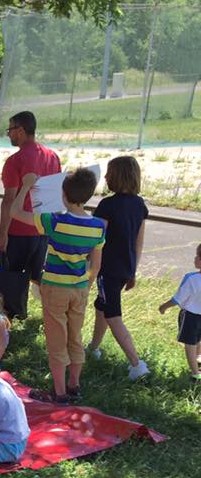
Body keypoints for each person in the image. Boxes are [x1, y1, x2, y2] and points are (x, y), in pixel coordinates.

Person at [10, 170, 104, 403]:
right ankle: (74, 385)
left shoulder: (54, 221)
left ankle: (59, 393)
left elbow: (15, 212)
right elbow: (96, 265)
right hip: (79, 288)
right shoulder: (98, 226)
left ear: (63, 194)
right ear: (89, 195)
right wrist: (86, 285)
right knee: (75, 337)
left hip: (55, 288)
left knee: (56, 340)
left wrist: (26, 186)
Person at [87, 156, 150, 381]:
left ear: (117, 176)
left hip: (107, 269)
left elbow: (96, 239)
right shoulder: (140, 205)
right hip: (125, 268)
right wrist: (133, 271)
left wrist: (89, 266)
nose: (105, 177)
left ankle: (136, 364)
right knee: (102, 305)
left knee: (113, 313)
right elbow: (138, 243)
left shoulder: (107, 205)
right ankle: (93, 348)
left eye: (109, 173)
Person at [0, 112, 61, 285]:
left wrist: (2, 235)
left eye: (10, 129)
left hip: (18, 232)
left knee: (9, 283)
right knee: (34, 281)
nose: (8, 134)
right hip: (42, 230)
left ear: (21, 130)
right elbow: (54, 198)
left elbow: (9, 200)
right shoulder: (52, 156)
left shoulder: (15, 160)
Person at [158, 243, 201, 380]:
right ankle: (198, 359)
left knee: (190, 344)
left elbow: (177, 299)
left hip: (190, 316)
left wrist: (163, 307)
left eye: (197, 256)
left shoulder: (191, 279)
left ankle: (195, 374)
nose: (195, 258)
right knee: (199, 339)